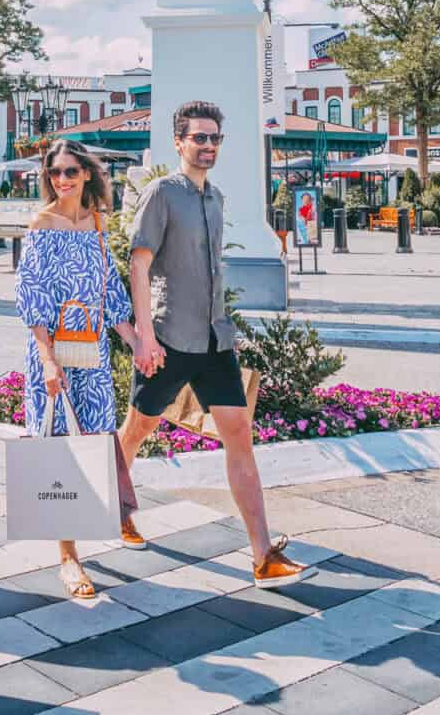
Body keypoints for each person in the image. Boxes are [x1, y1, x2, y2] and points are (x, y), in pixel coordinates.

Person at [118, 100, 314, 589]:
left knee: (239, 431)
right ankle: (115, 507)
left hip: (214, 338)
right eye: (198, 137)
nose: (207, 146)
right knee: (139, 428)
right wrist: (143, 338)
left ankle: (262, 554)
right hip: (168, 338)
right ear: (178, 141)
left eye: (214, 138)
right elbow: (139, 265)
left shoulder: (216, 198)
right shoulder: (161, 194)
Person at [16, 140, 140, 598]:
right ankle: (67, 557)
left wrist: (136, 342)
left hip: (92, 351)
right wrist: (47, 360)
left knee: (91, 443)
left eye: (70, 171)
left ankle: (104, 521)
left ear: (87, 174)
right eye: (54, 173)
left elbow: (111, 296)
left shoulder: (98, 224)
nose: (62, 179)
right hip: (53, 352)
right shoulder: (41, 225)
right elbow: (32, 301)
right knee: (58, 449)